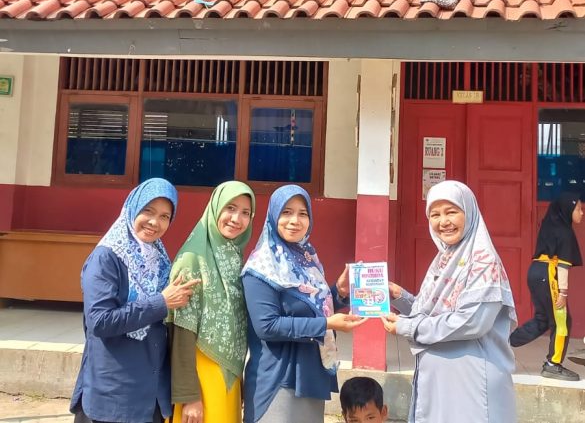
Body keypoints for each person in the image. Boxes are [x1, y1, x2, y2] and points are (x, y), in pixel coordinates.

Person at [381, 180, 517, 423]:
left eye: (451, 212)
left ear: (469, 213)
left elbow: (472, 322)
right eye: (435, 214)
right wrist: (401, 297)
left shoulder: (483, 261)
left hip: (471, 381)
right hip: (442, 381)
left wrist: (408, 327)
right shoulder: (445, 258)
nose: (443, 221)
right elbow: (437, 311)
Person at [70, 178, 198, 423]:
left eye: (164, 216)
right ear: (132, 208)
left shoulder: (159, 259)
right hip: (113, 394)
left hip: (150, 394)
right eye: (148, 211)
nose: (154, 222)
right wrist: (161, 303)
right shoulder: (106, 258)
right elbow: (99, 321)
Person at [241, 184, 366, 423]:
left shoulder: (306, 259)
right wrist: (327, 324)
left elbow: (311, 306)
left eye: (302, 213)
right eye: (286, 212)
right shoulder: (260, 267)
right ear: (273, 215)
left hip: (310, 372)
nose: (294, 221)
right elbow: (267, 327)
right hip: (279, 378)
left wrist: (338, 292)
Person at [167, 180, 255, 423]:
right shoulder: (192, 259)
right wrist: (189, 396)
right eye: (230, 208)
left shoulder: (233, 256)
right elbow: (181, 333)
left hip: (228, 376)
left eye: (245, 212)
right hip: (201, 378)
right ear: (215, 208)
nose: (236, 219)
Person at [510, 192, 583, 380]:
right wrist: (563, 293)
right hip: (549, 274)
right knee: (562, 321)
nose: (581, 213)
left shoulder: (550, 225)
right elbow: (563, 266)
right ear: (568, 209)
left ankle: (503, 342)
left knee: (543, 319)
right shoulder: (565, 232)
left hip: (536, 271)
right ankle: (553, 365)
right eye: (578, 209)